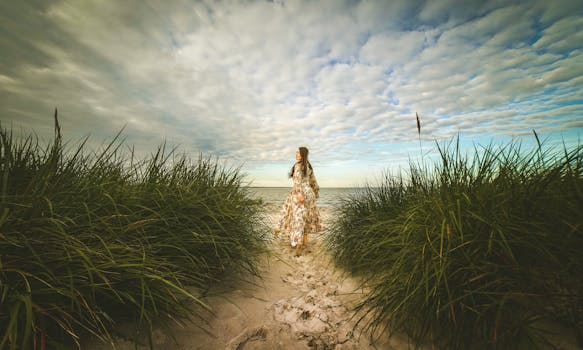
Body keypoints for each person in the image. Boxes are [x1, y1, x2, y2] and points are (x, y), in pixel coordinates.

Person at [277, 146, 322, 256]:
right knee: (305, 217)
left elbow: (297, 182)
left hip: (299, 195)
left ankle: (299, 244)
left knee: (298, 219)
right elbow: (314, 183)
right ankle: (304, 241)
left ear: (303, 154)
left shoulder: (298, 166)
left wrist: (299, 194)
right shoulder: (308, 166)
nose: (296, 154)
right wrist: (315, 193)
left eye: (298, 152)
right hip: (309, 194)